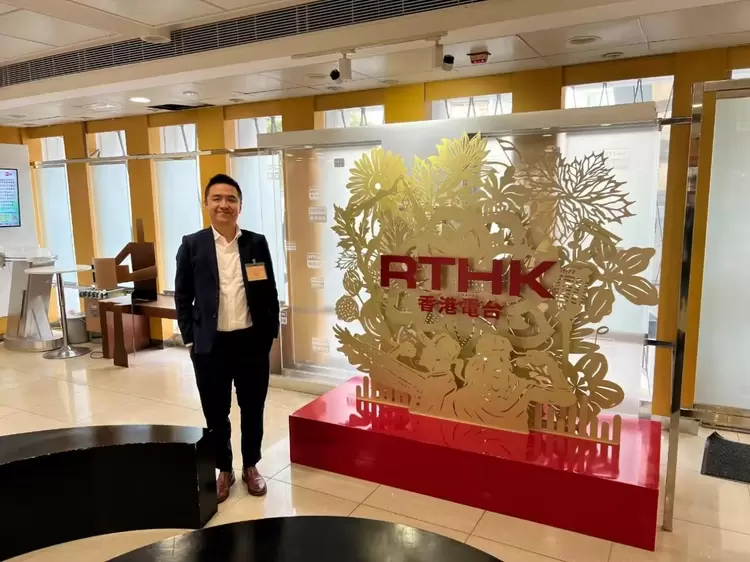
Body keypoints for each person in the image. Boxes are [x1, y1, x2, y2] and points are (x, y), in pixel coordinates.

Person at [175, 173, 279, 503]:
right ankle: (224, 469)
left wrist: (269, 333)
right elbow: (182, 296)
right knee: (215, 412)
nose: (224, 205)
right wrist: (191, 339)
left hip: (251, 342)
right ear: (206, 204)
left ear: (240, 206)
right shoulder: (192, 245)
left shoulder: (256, 243)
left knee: (253, 408)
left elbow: (269, 291)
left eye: (231, 199)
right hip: (211, 346)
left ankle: (251, 465)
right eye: (217, 198)